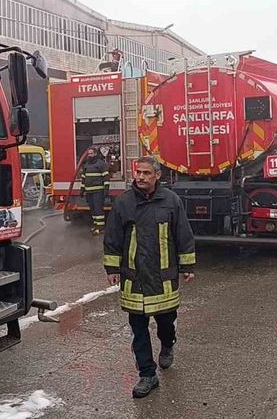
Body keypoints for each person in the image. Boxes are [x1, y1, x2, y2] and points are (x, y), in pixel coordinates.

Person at [103, 156, 195, 399]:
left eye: (146, 173)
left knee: (166, 322)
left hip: (164, 277)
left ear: (157, 175)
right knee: (138, 329)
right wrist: (112, 269)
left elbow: (183, 234)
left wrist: (187, 264)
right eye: (138, 172)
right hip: (134, 278)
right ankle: (147, 374)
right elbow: (112, 237)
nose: (140, 177)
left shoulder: (171, 201)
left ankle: (167, 344)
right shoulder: (124, 203)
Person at [81, 148, 109, 235]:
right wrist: (82, 189)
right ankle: (96, 225)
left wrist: (106, 188)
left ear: (96, 153)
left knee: (98, 209)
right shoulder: (86, 165)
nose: (89, 155)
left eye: (91, 153)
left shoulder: (101, 164)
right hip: (89, 192)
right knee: (92, 209)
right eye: (88, 153)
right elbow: (83, 178)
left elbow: (106, 177)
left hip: (98, 191)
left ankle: (101, 228)